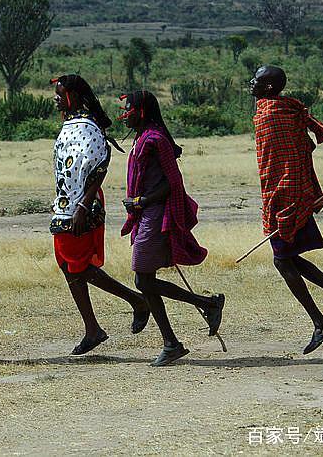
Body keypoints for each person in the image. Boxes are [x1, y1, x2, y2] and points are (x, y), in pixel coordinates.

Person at [249, 65, 323, 354]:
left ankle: (321, 321)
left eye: (257, 81)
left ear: (270, 88)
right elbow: (294, 153)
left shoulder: (275, 114)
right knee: (288, 258)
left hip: (286, 195)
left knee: (282, 260)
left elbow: (290, 160)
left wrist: (297, 196)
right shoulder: (280, 110)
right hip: (287, 192)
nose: (251, 83)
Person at [119, 90, 224, 367]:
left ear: (141, 111)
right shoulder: (142, 137)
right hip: (145, 214)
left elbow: (172, 181)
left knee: (143, 279)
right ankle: (196, 315)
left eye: (129, 109)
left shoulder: (156, 139)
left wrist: (141, 200)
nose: (125, 114)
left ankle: (176, 338)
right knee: (144, 280)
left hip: (155, 214)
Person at [50, 74, 150, 356]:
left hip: (82, 203)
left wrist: (83, 205)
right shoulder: (72, 123)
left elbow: (99, 165)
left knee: (77, 265)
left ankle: (135, 302)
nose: (56, 98)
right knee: (68, 265)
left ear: (73, 96)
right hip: (65, 202)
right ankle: (94, 328)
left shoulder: (87, 126)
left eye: (60, 94)